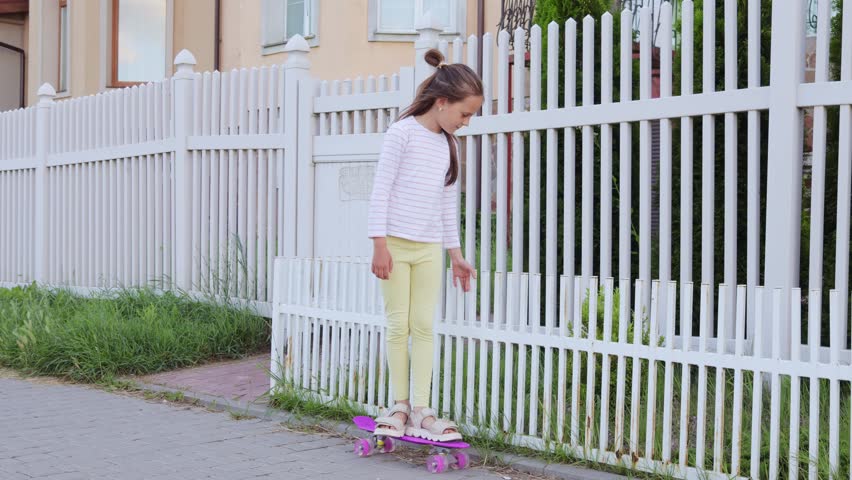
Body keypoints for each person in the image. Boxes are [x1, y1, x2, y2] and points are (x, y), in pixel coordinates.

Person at [366, 48, 483, 442]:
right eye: (465, 114)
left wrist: (456, 255)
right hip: (396, 245)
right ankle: (398, 405)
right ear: (442, 101)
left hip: (430, 247)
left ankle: (421, 409)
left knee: (425, 327)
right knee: (399, 326)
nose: (466, 123)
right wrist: (379, 243)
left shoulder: (450, 146)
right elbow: (380, 191)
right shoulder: (401, 134)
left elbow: (448, 204)